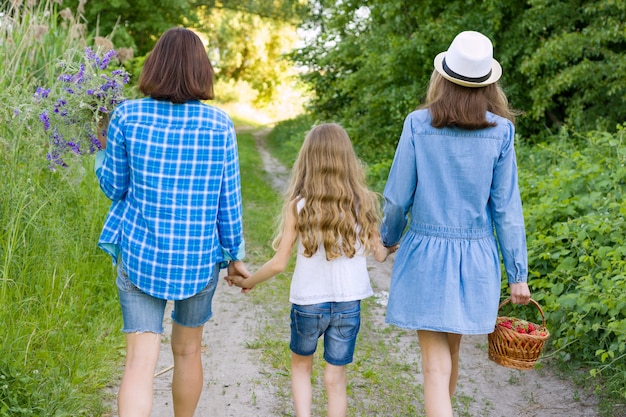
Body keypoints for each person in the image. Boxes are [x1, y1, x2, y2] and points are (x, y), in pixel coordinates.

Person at [94, 27, 249, 417]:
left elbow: (114, 186)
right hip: (196, 259)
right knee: (188, 350)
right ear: (202, 71)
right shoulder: (219, 126)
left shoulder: (128, 115)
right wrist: (235, 255)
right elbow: (227, 200)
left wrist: (102, 150)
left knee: (139, 364)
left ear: (155, 65)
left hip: (141, 253)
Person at [379, 31, 531, 417]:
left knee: (434, 364)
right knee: (451, 352)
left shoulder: (417, 124)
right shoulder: (501, 132)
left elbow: (397, 197)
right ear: (488, 84)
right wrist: (517, 274)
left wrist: (389, 237)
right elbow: (507, 209)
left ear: (443, 78)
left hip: (426, 257)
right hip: (476, 260)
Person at [225, 123, 397, 417]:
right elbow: (380, 255)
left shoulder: (299, 205)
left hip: (308, 303)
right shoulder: (362, 202)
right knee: (335, 379)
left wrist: (250, 280)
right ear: (347, 160)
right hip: (348, 303)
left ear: (308, 160)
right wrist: (392, 244)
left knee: (301, 368)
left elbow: (279, 263)